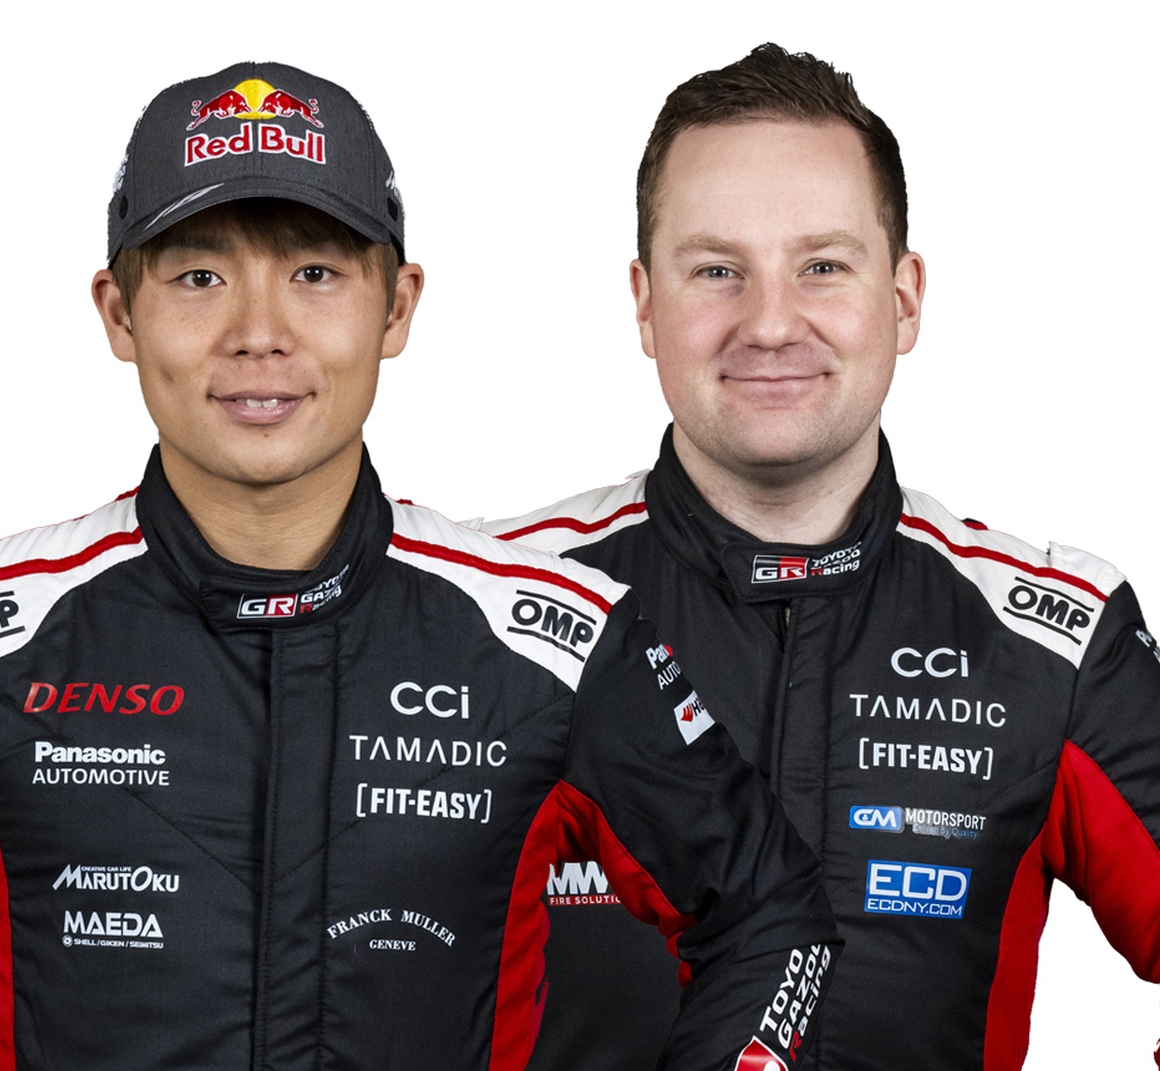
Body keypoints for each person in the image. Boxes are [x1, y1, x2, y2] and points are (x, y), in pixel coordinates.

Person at [0, 61, 839, 1071]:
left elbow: (770, 916)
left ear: (396, 307)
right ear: (119, 312)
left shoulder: (553, 644)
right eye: (199, 278)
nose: (259, 336)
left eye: (315, 274)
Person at [485, 43, 1160, 1071]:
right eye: (717, 271)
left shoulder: (1055, 640)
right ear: (644, 302)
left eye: (822, 267)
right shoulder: (490, 616)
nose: (768, 324)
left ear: (903, 298)